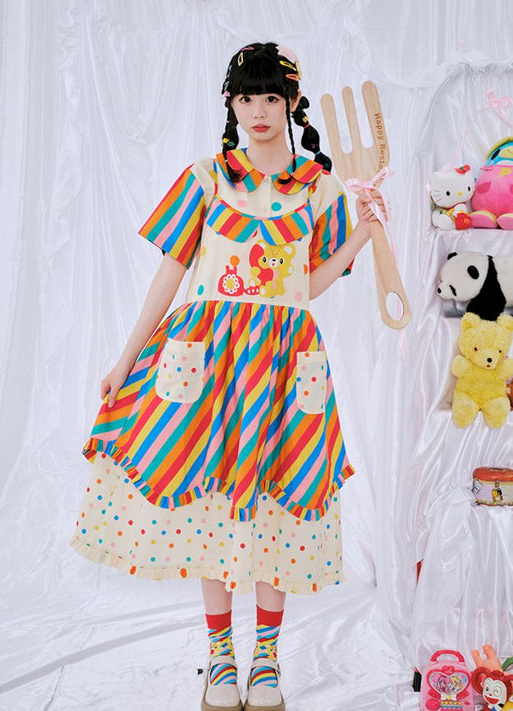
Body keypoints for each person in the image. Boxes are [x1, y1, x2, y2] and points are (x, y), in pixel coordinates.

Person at [69, 41, 386, 711]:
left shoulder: (323, 188)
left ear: (292, 102)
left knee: (276, 498)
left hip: (285, 361)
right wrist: (125, 358)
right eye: (246, 97)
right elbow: (171, 273)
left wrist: (361, 235)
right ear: (230, 103)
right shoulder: (206, 178)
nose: (258, 110)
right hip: (207, 357)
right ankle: (220, 656)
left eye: (271, 97)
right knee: (210, 499)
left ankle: (265, 660)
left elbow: (306, 285)